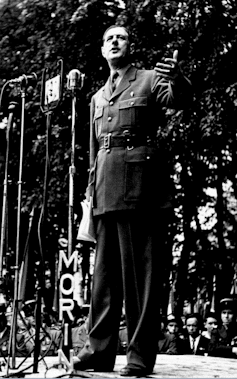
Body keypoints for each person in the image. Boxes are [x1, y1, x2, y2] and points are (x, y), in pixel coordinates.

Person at [74, 24, 192, 376]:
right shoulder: (96, 97)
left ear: (130, 45)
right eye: (108, 37)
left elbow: (179, 101)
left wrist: (179, 77)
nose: (114, 41)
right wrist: (90, 200)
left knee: (142, 276)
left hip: (142, 190)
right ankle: (99, 351)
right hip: (106, 192)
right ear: (102, 49)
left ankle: (139, 357)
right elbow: (95, 153)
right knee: (104, 279)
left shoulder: (149, 79)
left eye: (120, 37)